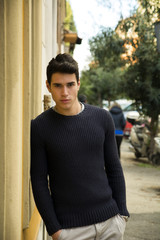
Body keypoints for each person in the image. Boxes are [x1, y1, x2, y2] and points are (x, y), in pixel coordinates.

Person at [30, 53, 129, 240]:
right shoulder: (40, 126)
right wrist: (55, 230)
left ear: (78, 84)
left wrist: (122, 214)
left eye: (70, 85)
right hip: (70, 230)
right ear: (48, 86)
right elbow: (38, 180)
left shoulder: (102, 118)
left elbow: (114, 168)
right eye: (58, 86)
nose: (65, 92)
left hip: (110, 224)